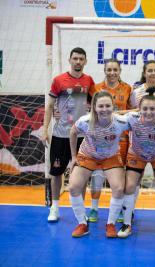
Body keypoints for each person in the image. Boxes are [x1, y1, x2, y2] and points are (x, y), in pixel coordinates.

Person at [42, 47, 94, 222]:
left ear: (85, 61)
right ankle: (54, 207)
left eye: (81, 59)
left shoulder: (89, 81)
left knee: (83, 174)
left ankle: (81, 209)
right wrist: (44, 129)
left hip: (82, 137)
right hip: (60, 135)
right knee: (56, 172)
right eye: (75, 58)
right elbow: (49, 106)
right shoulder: (58, 80)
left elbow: (95, 104)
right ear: (70, 60)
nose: (78, 61)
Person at [117, 87, 155, 239]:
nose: (148, 112)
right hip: (137, 154)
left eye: (152, 109)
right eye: (145, 109)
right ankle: (127, 223)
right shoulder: (132, 118)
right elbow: (112, 117)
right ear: (139, 109)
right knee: (129, 186)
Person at [68, 91, 129, 238]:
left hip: (110, 156)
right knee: (73, 187)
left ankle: (111, 224)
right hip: (88, 155)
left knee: (119, 188)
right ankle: (82, 223)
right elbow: (72, 132)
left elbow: (139, 122)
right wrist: (73, 156)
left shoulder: (121, 121)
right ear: (94, 107)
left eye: (108, 105)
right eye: (100, 106)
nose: (104, 109)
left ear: (113, 106)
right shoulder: (85, 121)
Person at [87, 58, 132, 223]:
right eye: (109, 69)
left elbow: (132, 113)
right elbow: (89, 112)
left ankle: (120, 208)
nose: (112, 72)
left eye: (115, 69)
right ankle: (93, 208)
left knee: (119, 176)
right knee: (97, 175)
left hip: (121, 139)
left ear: (120, 71)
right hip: (99, 139)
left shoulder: (127, 88)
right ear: (104, 70)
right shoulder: (95, 89)